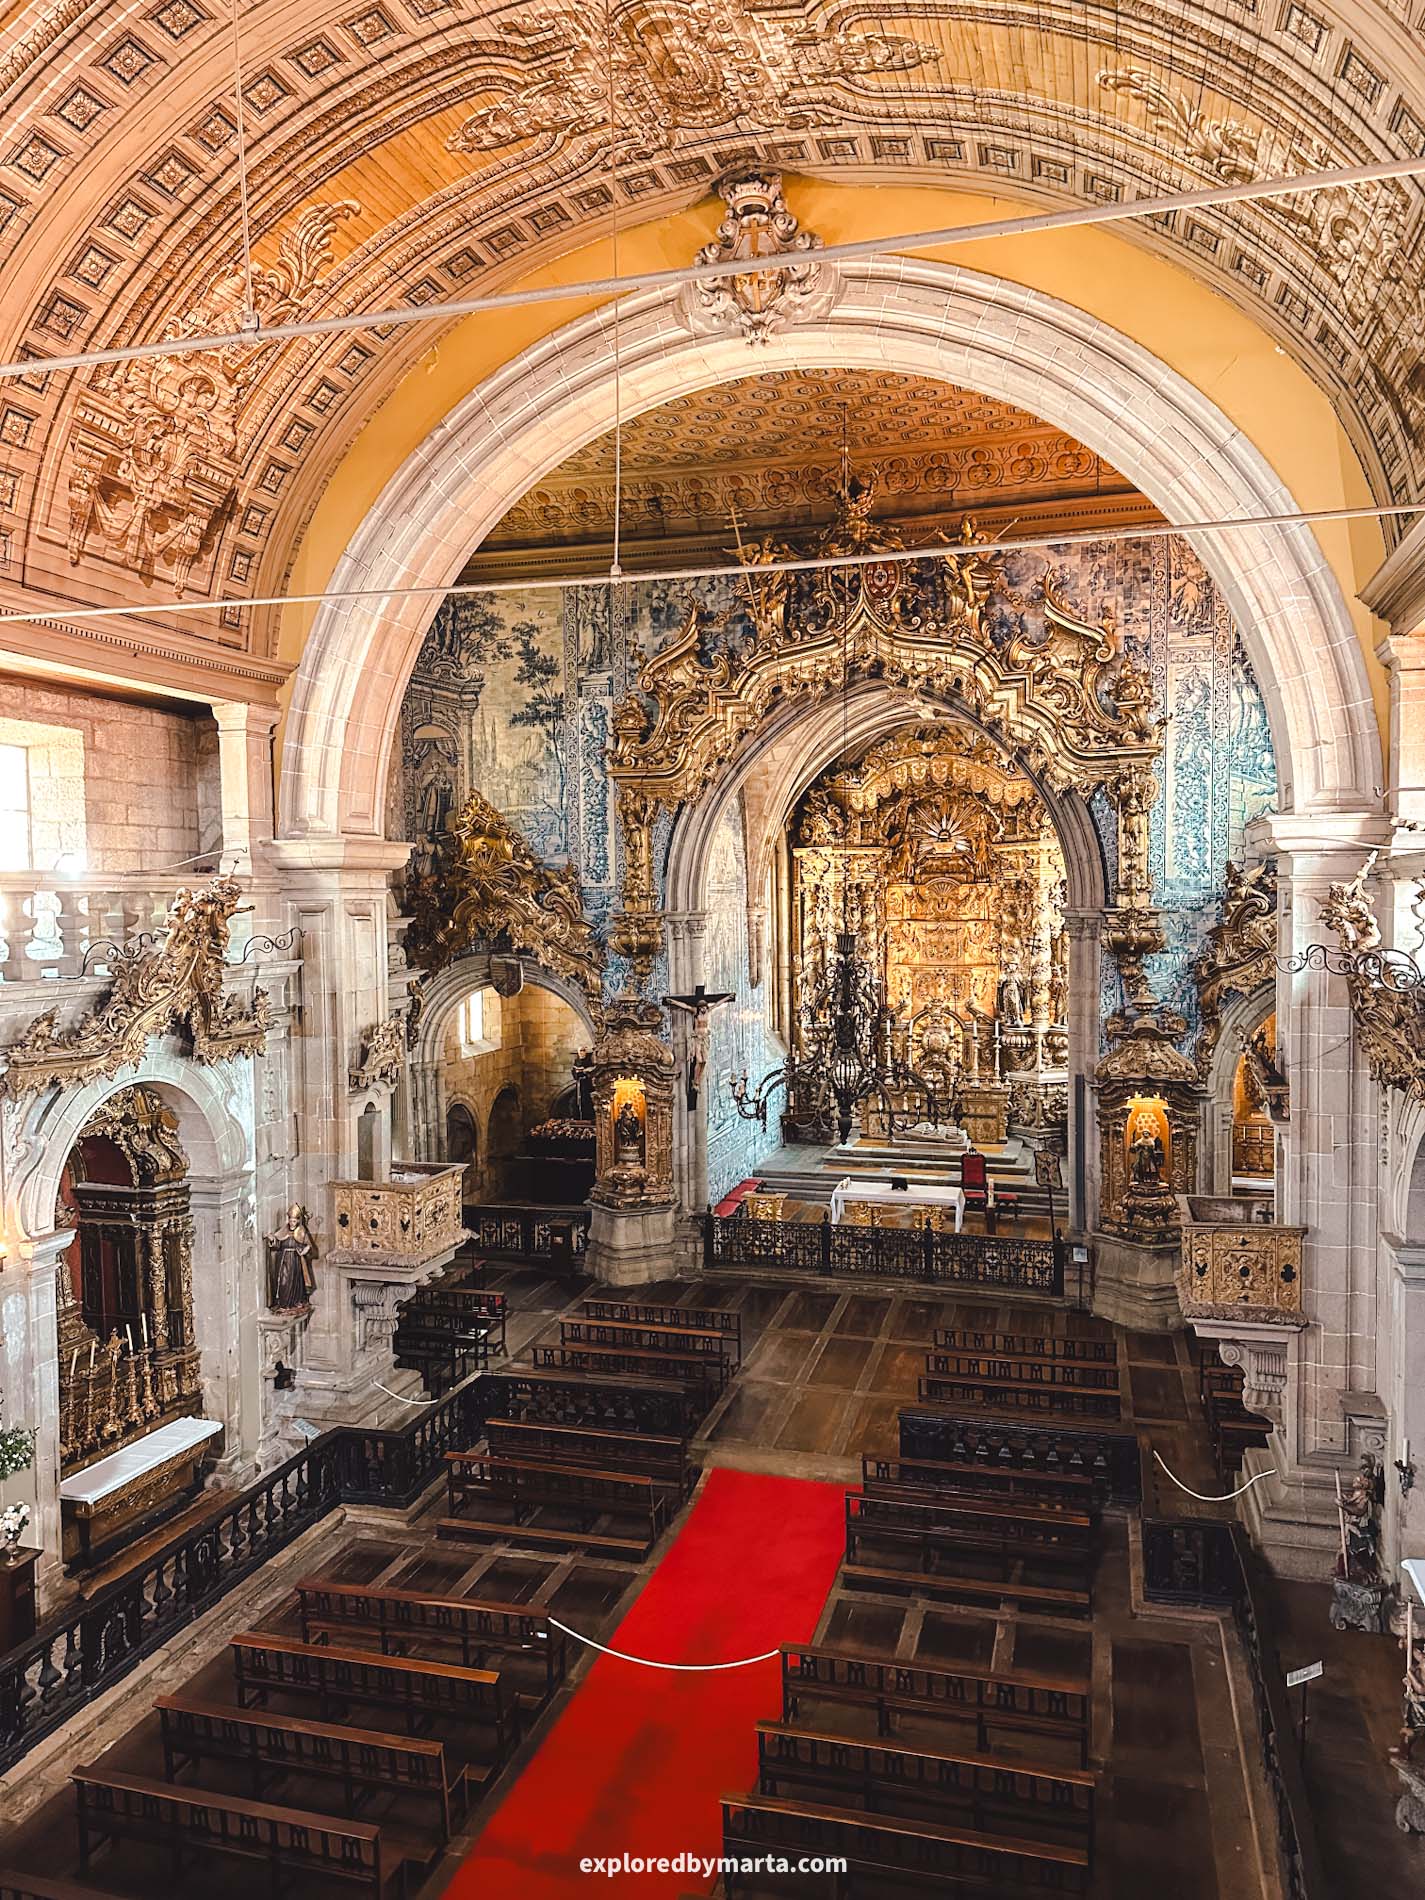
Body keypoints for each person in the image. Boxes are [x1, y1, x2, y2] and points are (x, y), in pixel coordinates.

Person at [266, 1204, 317, 1311]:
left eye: (294, 1220)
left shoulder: (301, 1231)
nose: (291, 1222)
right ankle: (283, 1303)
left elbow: (308, 1245)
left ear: (297, 1221)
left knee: (296, 1281)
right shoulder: (284, 1230)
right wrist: (272, 1239)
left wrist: (304, 1250)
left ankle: (295, 1301)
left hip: (295, 1260)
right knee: (284, 1281)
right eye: (290, 1220)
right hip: (283, 1259)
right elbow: (277, 1243)